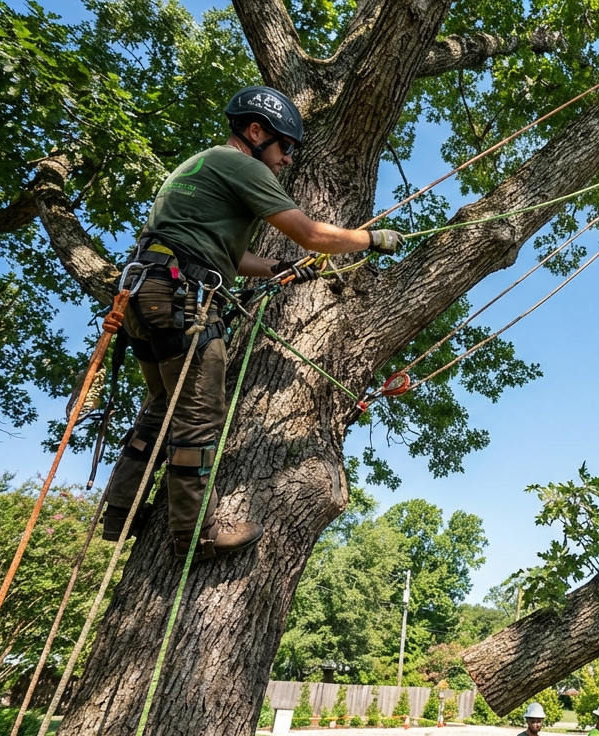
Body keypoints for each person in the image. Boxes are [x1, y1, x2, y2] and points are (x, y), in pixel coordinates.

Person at [100, 85, 405, 561]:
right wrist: (370, 238)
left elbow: (228, 253)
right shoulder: (241, 164)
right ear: (256, 131)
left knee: (161, 407)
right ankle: (193, 538)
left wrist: (280, 268)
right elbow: (311, 233)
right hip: (181, 296)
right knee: (199, 415)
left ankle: (118, 513)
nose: (286, 161)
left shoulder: (198, 166)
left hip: (146, 292)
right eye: (284, 147)